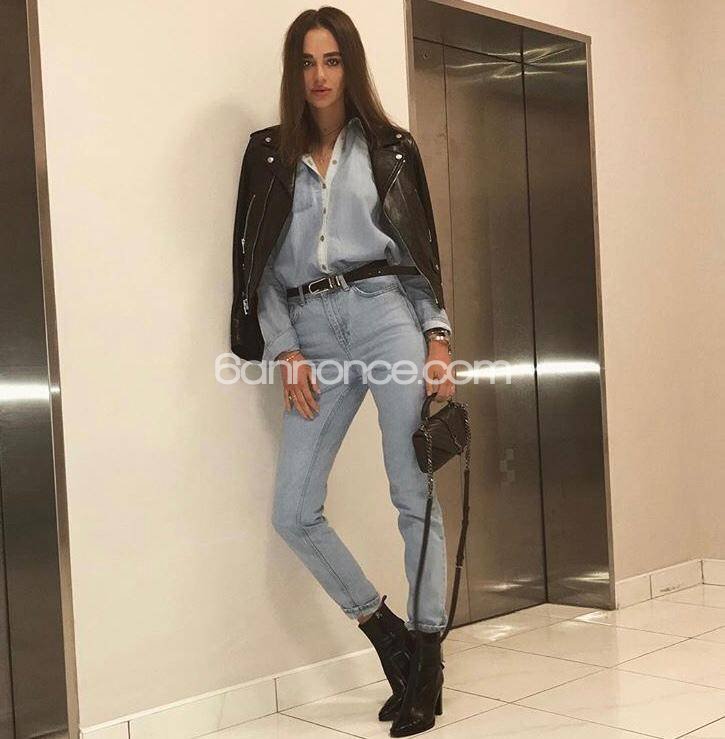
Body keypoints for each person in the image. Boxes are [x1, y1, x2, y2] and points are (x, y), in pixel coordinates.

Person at [230, 7, 454, 736]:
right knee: (293, 510)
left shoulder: (391, 148)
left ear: (349, 66)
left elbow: (417, 253)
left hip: (385, 314)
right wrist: (285, 348)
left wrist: (437, 340)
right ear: (293, 71)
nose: (319, 75)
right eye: (307, 61)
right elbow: (259, 267)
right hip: (311, 332)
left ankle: (427, 658)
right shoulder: (268, 154)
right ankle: (389, 636)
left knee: (412, 491)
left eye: (331, 60)